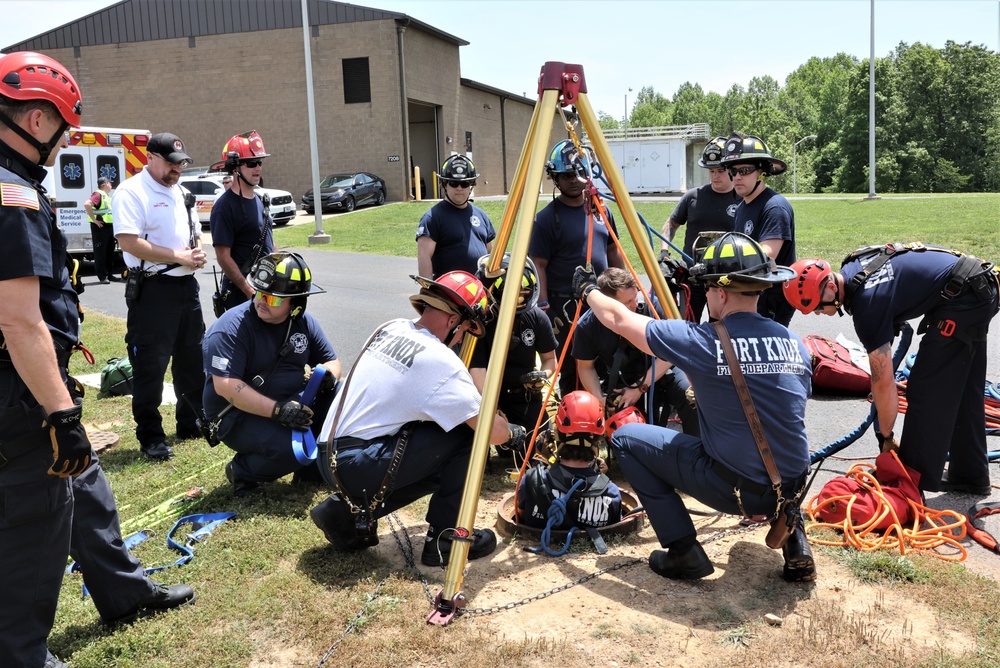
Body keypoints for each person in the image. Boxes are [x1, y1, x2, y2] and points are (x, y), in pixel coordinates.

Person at [0, 51, 192, 668]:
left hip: (33, 382)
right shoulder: (12, 197)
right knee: (37, 520)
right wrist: (61, 414)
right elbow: (19, 319)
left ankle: (124, 593)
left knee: (85, 486)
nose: (62, 142)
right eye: (62, 127)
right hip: (22, 393)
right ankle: (21, 653)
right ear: (36, 121)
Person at [574, 232, 815, 582]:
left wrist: (588, 289)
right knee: (777, 441)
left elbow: (619, 321)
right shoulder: (795, 343)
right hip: (792, 485)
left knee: (626, 439)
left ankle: (684, 551)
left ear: (718, 292)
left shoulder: (703, 341)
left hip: (735, 490)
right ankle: (796, 539)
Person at [312, 270, 526, 567]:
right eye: (465, 330)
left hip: (328, 454)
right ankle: (446, 540)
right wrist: (515, 433)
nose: (461, 338)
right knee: (467, 436)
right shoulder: (439, 360)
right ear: (454, 321)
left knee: (441, 446)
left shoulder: (391, 327)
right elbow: (491, 432)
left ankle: (344, 514)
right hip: (357, 464)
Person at [784, 247, 1000, 495]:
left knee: (926, 389)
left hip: (964, 298)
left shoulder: (867, 305)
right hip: (975, 285)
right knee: (962, 386)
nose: (819, 314)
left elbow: (883, 383)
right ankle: (971, 474)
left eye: (817, 307)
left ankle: (908, 482)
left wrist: (885, 436)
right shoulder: (854, 264)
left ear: (831, 287)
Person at [203, 251, 341, 497]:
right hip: (236, 413)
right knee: (288, 449)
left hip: (289, 402)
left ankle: (310, 471)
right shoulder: (230, 328)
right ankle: (242, 471)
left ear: (296, 304)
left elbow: (331, 360)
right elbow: (225, 385)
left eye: (273, 299)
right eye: (259, 292)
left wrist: (329, 375)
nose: (262, 302)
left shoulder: (304, 323)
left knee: (340, 397)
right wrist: (279, 411)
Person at [113, 131, 207, 461]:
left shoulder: (181, 193)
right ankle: (151, 436)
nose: (176, 170)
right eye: (170, 163)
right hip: (152, 292)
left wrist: (196, 252)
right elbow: (129, 242)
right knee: (150, 368)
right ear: (150, 158)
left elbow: (193, 234)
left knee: (192, 361)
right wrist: (178, 257)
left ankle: (191, 422)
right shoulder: (131, 192)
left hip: (186, 289)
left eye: (181, 164)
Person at [530, 139, 625, 396]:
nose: (574, 180)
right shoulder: (547, 218)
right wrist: (544, 305)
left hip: (602, 300)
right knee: (572, 367)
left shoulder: (601, 211)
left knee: (610, 360)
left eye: (579, 174)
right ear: (555, 179)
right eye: (566, 175)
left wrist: (628, 289)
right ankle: (573, 423)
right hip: (566, 307)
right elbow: (538, 263)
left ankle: (606, 415)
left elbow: (613, 250)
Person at [572, 268, 698, 436]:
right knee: (623, 421)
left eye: (635, 296)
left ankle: (697, 450)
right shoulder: (588, 325)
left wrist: (639, 388)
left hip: (662, 367)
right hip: (622, 378)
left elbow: (671, 352)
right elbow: (585, 367)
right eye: (627, 302)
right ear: (608, 304)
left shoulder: (651, 305)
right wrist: (600, 399)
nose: (635, 304)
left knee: (690, 395)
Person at [470, 253, 558, 453]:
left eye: (523, 295)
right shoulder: (480, 322)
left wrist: (543, 376)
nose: (517, 302)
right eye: (511, 296)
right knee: (477, 451)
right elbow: (477, 372)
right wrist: (491, 410)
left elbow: (550, 359)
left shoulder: (537, 318)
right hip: (490, 397)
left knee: (543, 450)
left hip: (526, 398)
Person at [719, 132, 797, 326]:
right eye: (732, 172)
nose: (737, 177)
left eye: (744, 170)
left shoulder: (775, 206)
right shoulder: (741, 207)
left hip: (771, 301)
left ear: (762, 172)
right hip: (749, 296)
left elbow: (767, 254)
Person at [659, 136, 740, 321]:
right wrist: (664, 252)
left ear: (730, 170)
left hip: (725, 279)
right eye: (711, 171)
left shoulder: (741, 200)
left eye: (720, 170)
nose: (715, 176)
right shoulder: (693, 197)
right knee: (687, 325)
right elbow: (671, 224)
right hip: (692, 277)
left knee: (721, 329)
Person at [518, 391, 623, 530]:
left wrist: (542, 463)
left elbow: (521, 518)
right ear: (598, 439)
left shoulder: (530, 482)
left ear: (557, 435)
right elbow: (615, 526)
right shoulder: (611, 492)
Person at [208, 131, 275, 314]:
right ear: (235, 168)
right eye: (252, 163)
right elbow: (223, 256)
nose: (258, 168)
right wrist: (248, 290)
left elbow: (269, 242)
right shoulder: (224, 206)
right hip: (240, 297)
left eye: (260, 162)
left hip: (265, 291)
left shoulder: (261, 200)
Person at [415, 154, 495, 278]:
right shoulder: (432, 218)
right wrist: (429, 291)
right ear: (445, 184)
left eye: (464, 184)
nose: (459, 188)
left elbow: (490, 253)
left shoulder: (481, 215)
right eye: (454, 183)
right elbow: (424, 256)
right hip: (448, 293)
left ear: (471, 185)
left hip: (479, 291)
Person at [84, 176, 118, 284]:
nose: (111, 185)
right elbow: (87, 204)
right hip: (100, 227)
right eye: (109, 183)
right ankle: (102, 276)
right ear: (104, 184)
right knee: (101, 253)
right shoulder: (98, 194)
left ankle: (109, 274)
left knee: (109, 251)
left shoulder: (106, 196)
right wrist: (94, 220)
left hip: (108, 226)